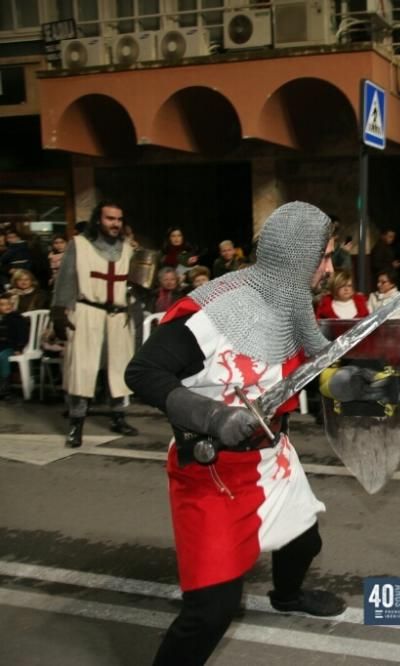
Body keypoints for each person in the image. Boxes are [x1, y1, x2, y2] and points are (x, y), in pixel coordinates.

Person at [125, 202, 344, 666]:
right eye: (323, 256)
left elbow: (311, 364)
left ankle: (287, 596)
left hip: (273, 457)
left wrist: (343, 381)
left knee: (305, 541)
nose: (329, 267)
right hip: (213, 469)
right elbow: (144, 371)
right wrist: (212, 416)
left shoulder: (291, 301)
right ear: (296, 256)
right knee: (210, 611)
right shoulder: (215, 310)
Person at [50, 200, 139, 447]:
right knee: (82, 369)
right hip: (87, 313)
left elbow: (136, 284)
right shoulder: (79, 245)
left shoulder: (128, 248)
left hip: (119, 317)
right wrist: (58, 312)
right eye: (110, 218)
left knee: (120, 368)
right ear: (98, 220)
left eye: (119, 219)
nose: (115, 224)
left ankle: (119, 417)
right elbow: (66, 280)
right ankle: (76, 424)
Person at [0, 293, 29, 399]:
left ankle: (4, 389)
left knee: (2, 357)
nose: (6, 307)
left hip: (10, 347)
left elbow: (22, 335)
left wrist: (18, 347)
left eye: (8, 304)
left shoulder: (16, 318)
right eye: (2, 305)